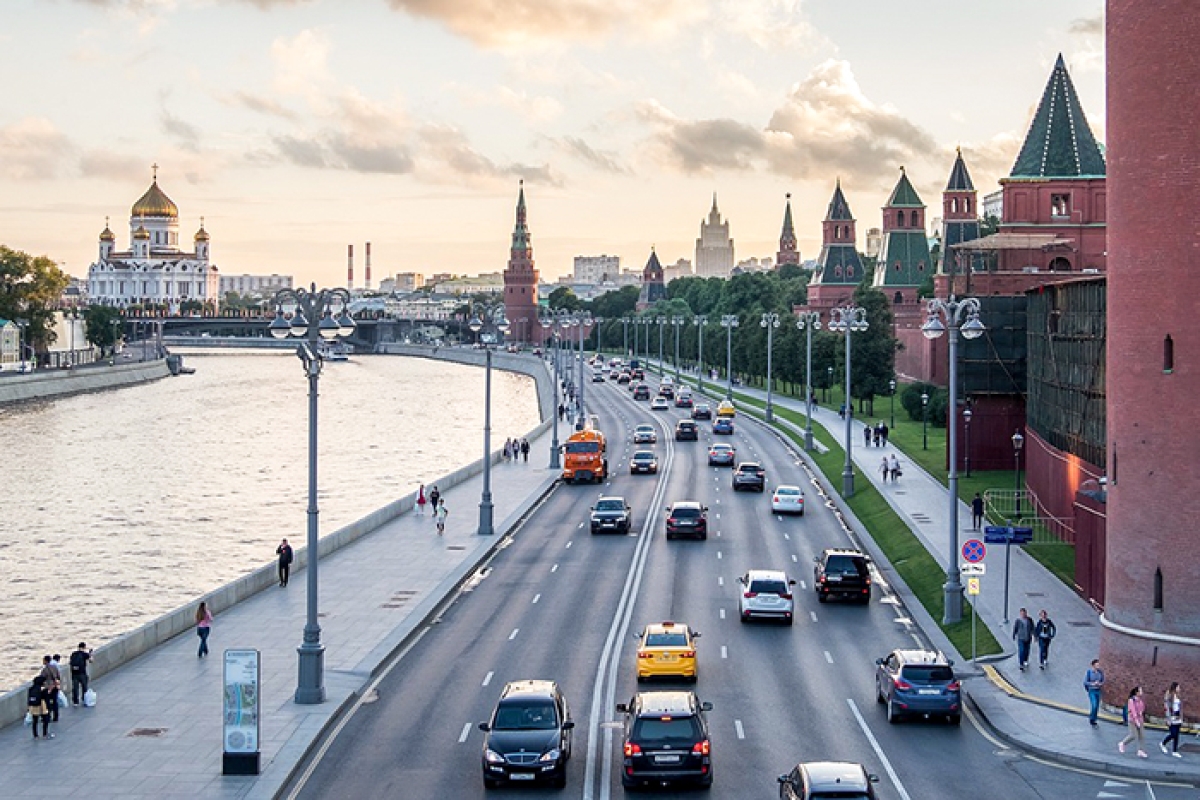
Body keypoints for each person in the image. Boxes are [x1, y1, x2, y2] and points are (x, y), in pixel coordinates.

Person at [1118, 686, 1148, 758]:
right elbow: (1133, 711)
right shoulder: (1131, 700)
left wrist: (1141, 712)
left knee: (1142, 736)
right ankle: (1122, 743)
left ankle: (1140, 750)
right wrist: (1136, 720)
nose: (1142, 692)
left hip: (1140, 720)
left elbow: (1143, 708)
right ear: (1136, 692)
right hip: (1132, 720)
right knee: (1133, 735)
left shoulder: (1140, 700)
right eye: (1140, 691)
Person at [1161, 682, 1184, 757]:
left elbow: (1181, 708)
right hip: (1171, 716)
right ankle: (1163, 743)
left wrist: (1181, 718)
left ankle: (1175, 751)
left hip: (1177, 716)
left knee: (1177, 735)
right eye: (1178, 687)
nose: (1179, 689)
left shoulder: (1179, 696)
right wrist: (1168, 719)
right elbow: (1166, 707)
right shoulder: (1169, 695)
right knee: (1173, 734)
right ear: (1174, 688)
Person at [27, 675, 50, 740]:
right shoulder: (43, 689)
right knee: (45, 720)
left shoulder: (31, 688)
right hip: (42, 705)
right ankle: (45, 734)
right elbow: (46, 698)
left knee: (35, 721)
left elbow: (29, 698)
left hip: (34, 706)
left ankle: (35, 735)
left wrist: (28, 707)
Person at [1084, 659, 1105, 726]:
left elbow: (1103, 681)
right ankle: (1091, 718)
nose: (1098, 666)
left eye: (1098, 665)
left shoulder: (1100, 672)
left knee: (1097, 706)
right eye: (1097, 665)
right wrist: (1092, 684)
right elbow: (1085, 682)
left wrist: (1100, 684)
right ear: (1093, 665)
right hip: (1092, 690)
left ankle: (1094, 719)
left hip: (1098, 690)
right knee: (1094, 704)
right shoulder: (1089, 672)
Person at [40, 656, 61, 722]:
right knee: (55, 702)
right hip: (55, 686)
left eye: (43, 660)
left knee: (47, 702)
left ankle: (48, 717)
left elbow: (42, 679)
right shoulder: (54, 667)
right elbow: (58, 676)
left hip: (48, 687)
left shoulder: (45, 670)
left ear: (46, 661)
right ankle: (56, 717)